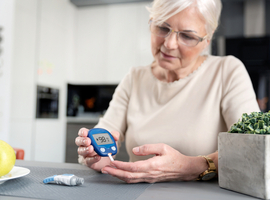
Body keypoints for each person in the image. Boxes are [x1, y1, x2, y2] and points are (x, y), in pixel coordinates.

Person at [75, 0, 260, 183]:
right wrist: (93, 154)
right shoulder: (134, 78)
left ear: (207, 40)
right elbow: (105, 135)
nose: (169, 44)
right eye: (163, 27)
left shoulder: (227, 71)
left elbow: (254, 150)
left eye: (187, 36)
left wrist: (190, 167)